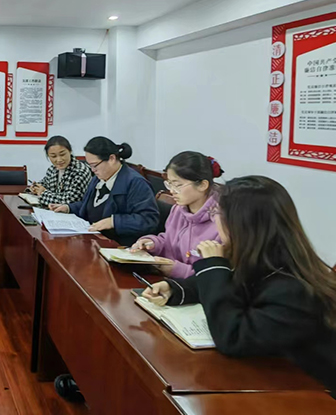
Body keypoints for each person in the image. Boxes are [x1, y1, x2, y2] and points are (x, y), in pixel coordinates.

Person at [142, 176, 336, 395]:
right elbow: (229, 283)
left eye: (217, 213)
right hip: (271, 378)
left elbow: (232, 337)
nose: (215, 220)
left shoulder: (293, 288)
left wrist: (213, 265)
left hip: (311, 393)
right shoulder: (261, 257)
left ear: (242, 224)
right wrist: (177, 289)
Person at [49, 136, 159, 247]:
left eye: (94, 165)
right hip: (93, 240)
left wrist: (113, 222)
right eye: (90, 165)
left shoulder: (135, 183)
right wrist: (68, 207)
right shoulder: (99, 178)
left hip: (118, 246)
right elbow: (89, 206)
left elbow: (148, 220)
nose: (93, 170)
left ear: (112, 159)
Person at [130, 152, 223, 278]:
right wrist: (152, 243)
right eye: (169, 184)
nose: (172, 191)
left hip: (195, 288)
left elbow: (217, 275)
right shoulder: (178, 209)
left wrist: (178, 270)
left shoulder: (221, 222)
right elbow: (168, 240)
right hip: (167, 280)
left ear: (202, 185)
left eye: (178, 185)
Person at [28, 136, 92, 207]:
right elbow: (44, 184)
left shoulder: (80, 171)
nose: (59, 160)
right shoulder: (52, 169)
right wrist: (36, 187)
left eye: (62, 154)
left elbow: (70, 200)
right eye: (53, 156)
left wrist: (42, 194)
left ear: (70, 151)